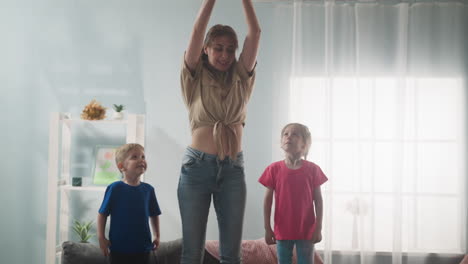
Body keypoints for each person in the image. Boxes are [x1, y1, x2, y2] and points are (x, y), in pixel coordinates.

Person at [178, 0, 261, 263]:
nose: (224, 54)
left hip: (233, 170)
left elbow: (255, 33)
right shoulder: (194, 77)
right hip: (197, 168)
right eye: (218, 48)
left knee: (231, 254)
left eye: (229, 49)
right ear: (206, 48)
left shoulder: (241, 78)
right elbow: (195, 31)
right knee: (192, 252)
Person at [259, 123, 328, 264]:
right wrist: (267, 228)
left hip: (307, 230)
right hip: (282, 230)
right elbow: (267, 201)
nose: (288, 136)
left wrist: (318, 228)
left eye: (295, 134)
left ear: (304, 144)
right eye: (286, 134)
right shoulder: (273, 169)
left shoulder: (313, 169)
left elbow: (319, 202)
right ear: (281, 141)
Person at [97, 143, 162, 264]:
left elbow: (154, 214)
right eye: (135, 157)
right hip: (118, 249)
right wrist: (101, 237)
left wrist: (157, 236)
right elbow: (102, 214)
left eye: (143, 157)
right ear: (122, 166)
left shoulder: (149, 190)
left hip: (143, 249)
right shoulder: (114, 188)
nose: (141, 160)